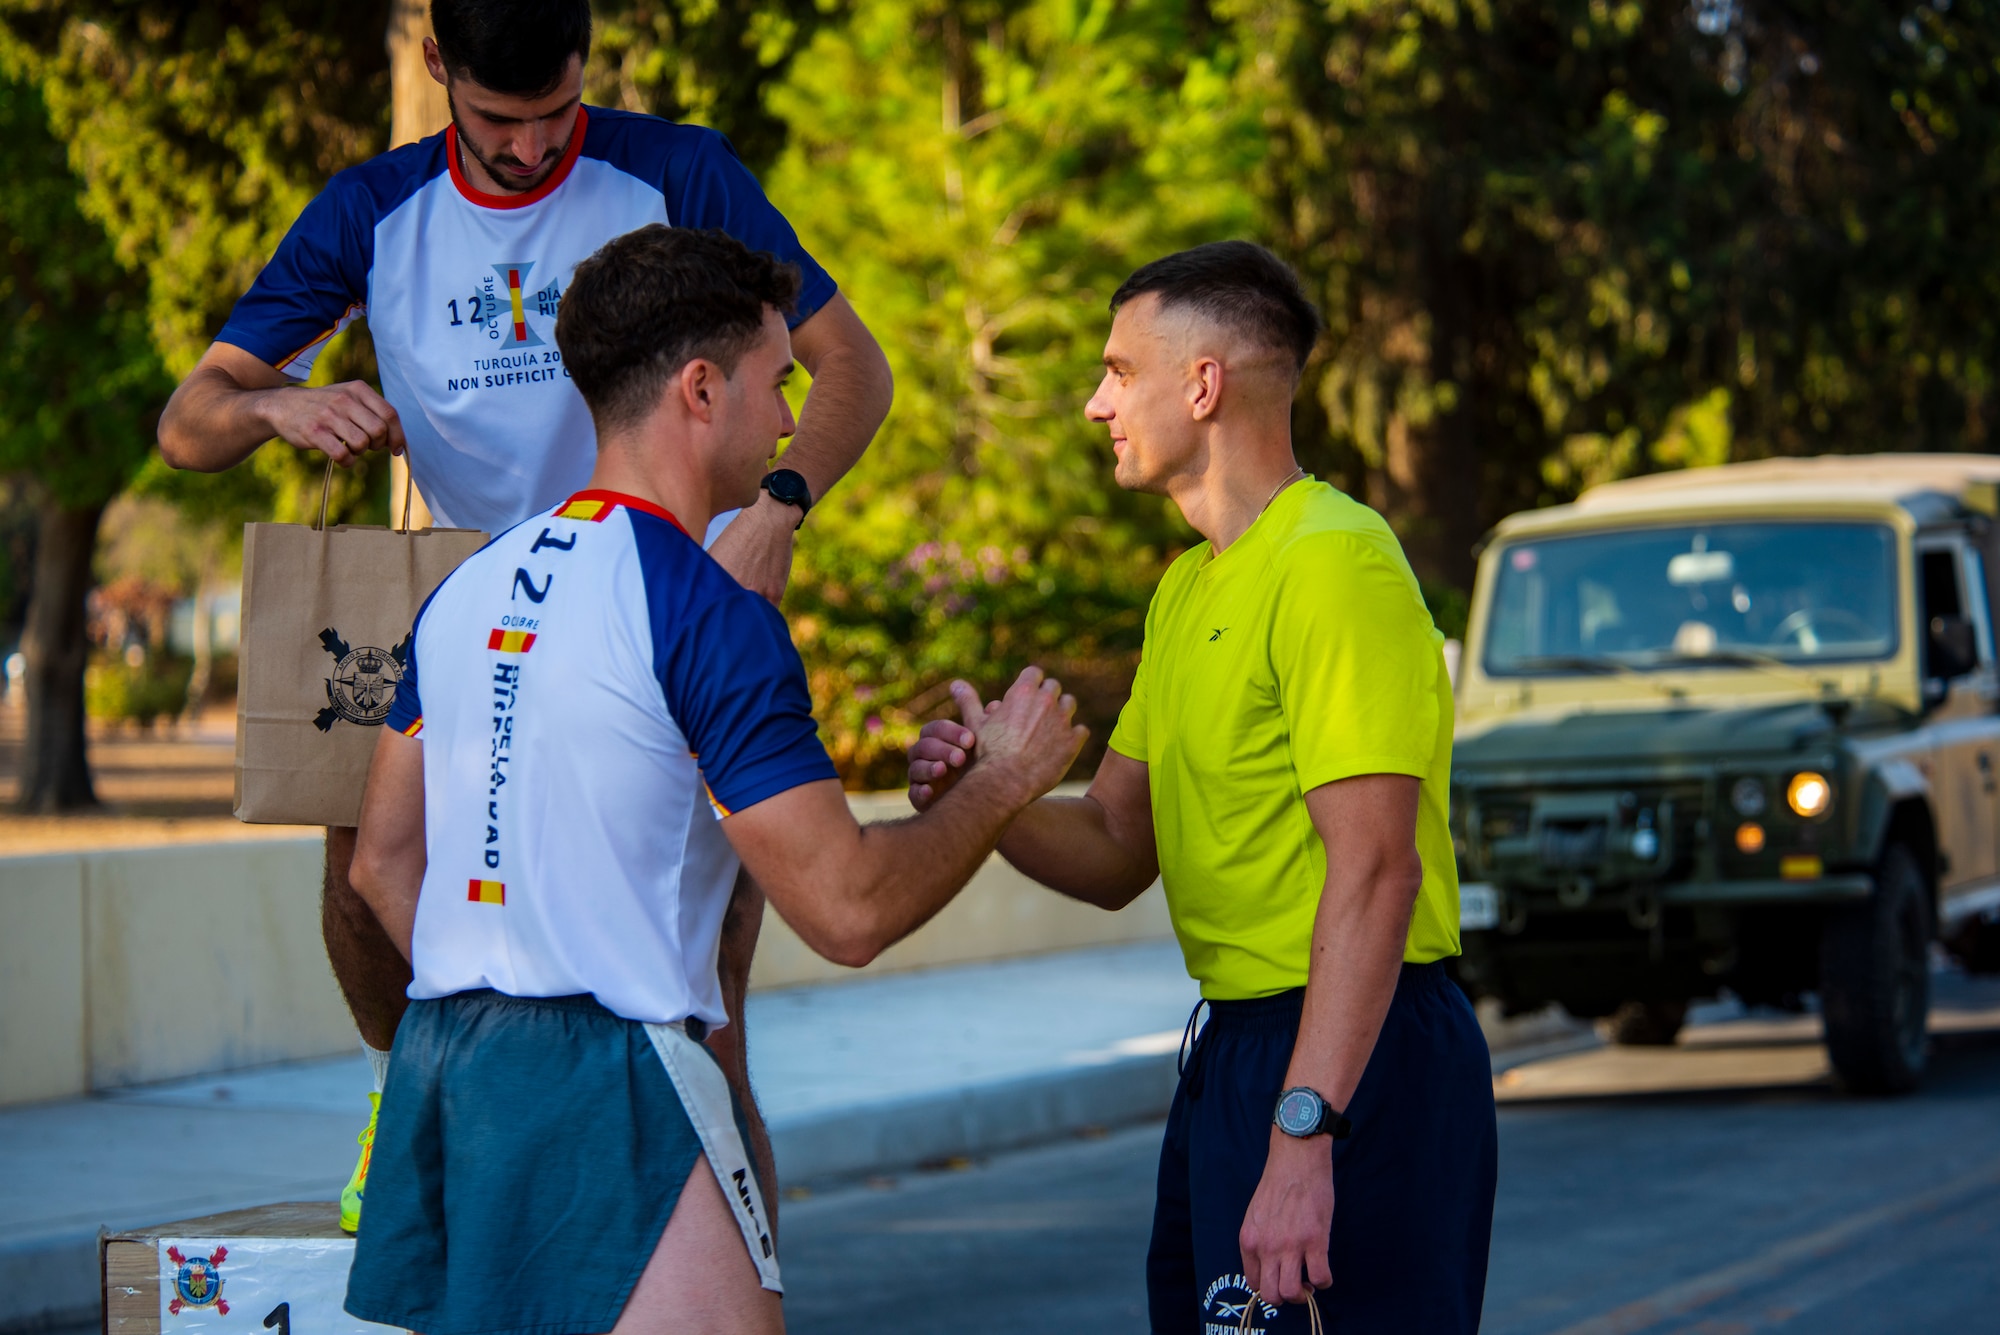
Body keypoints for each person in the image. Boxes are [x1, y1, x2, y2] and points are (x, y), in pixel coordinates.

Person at [154, 0, 892, 1232]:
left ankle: (727, 1268)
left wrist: (776, 503)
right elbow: (191, 420)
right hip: (479, 615)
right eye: (499, 121)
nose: (533, 147)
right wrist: (273, 409)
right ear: (435, 65)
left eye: (557, 113)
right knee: (361, 876)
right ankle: (414, 1104)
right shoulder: (371, 210)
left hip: (657, 618)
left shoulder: (677, 170)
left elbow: (851, 365)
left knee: (702, 1007)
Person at [341, 224, 1083, 1335]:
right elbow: (846, 909)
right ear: (701, 389)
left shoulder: (466, 586)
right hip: (613, 1082)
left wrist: (511, 980)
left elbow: (380, 865)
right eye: (775, 381)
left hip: (450, 1071)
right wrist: (1003, 783)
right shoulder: (705, 613)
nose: (790, 418)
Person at [907, 241, 1498, 1333]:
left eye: (1117, 371)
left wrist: (1304, 1132)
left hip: (1349, 1054)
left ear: (1203, 383)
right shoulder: (1186, 590)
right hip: (1236, 1051)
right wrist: (983, 799)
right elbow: (1113, 849)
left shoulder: (1332, 562)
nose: (1095, 404)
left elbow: (1374, 869)